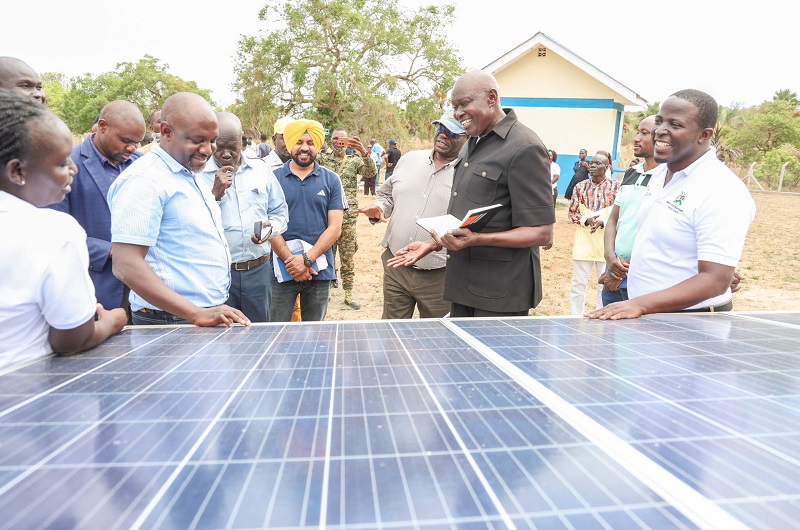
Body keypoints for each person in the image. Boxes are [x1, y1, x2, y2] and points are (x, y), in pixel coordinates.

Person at [387, 71, 554, 317]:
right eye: (455, 107)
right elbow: (472, 217)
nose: (458, 113)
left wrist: (476, 240)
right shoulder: (472, 143)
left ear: (491, 97)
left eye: (464, 104)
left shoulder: (524, 146)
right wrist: (432, 243)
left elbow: (542, 232)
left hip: (499, 294)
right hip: (462, 285)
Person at [589, 89, 756, 319]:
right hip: (651, 317)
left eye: (675, 125)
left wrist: (642, 304)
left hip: (692, 323)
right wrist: (620, 274)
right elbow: (657, 242)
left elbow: (716, 280)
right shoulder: (660, 176)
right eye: (659, 121)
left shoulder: (722, 190)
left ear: (704, 135)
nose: (660, 131)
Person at [0, 89, 126, 369]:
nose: (73, 168)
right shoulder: (53, 232)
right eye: (60, 162)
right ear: (17, 171)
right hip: (24, 391)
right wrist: (112, 322)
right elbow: (71, 340)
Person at [108, 92, 250, 327]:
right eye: (197, 140)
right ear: (166, 132)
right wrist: (195, 313)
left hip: (200, 314)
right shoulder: (144, 180)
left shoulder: (188, 174)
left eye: (212, 140)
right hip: (170, 320)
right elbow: (126, 264)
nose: (207, 149)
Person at [358, 111, 467, 319]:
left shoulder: (468, 174)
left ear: (467, 138)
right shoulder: (410, 159)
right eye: (440, 128)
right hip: (396, 268)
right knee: (392, 333)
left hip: (439, 276)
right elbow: (387, 194)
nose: (442, 135)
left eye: (451, 132)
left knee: (437, 339)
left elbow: (467, 224)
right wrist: (379, 207)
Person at [49, 100, 146, 311]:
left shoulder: (142, 165)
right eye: (125, 140)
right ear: (102, 126)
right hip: (94, 287)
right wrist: (111, 250)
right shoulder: (66, 164)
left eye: (137, 142)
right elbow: (53, 232)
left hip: (143, 293)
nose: (132, 148)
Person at [198, 112, 288, 322]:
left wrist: (269, 230)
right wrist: (215, 195)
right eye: (220, 147)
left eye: (233, 147)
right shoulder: (198, 173)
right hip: (218, 275)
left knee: (259, 335)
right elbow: (193, 224)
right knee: (222, 339)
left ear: (242, 141)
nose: (226, 154)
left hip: (258, 272)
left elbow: (280, 213)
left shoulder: (261, 169)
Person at [269, 119, 344, 321]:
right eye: (299, 142)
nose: (304, 148)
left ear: (318, 145)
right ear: (290, 143)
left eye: (310, 143)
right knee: (276, 333)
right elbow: (269, 226)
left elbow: (335, 228)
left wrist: (307, 259)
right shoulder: (272, 178)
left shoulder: (331, 180)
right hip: (281, 270)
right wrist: (290, 262)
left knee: (315, 334)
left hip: (319, 271)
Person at [599, 116, 660, 305]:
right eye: (637, 131)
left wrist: (620, 273)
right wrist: (609, 257)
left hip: (641, 279)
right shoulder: (631, 172)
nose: (636, 138)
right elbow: (613, 219)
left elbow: (658, 232)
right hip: (614, 274)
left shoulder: (668, 177)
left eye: (644, 133)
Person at [318, 127, 376, 310]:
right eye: (335, 139)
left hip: (348, 216)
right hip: (325, 215)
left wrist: (364, 152)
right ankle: (325, 291)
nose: (338, 142)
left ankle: (349, 292)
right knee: (326, 254)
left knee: (347, 255)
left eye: (342, 140)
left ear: (348, 142)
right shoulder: (323, 159)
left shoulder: (354, 161)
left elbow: (370, 172)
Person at [567, 153, 619, 315]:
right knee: (578, 283)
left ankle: (600, 314)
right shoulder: (580, 187)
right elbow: (572, 214)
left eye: (598, 163)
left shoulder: (616, 187)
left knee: (603, 284)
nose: (593, 166)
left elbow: (620, 214)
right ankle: (575, 316)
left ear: (606, 167)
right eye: (591, 163)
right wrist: (586, 220)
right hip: (585, 240)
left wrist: (604, 221)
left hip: (607, 243)